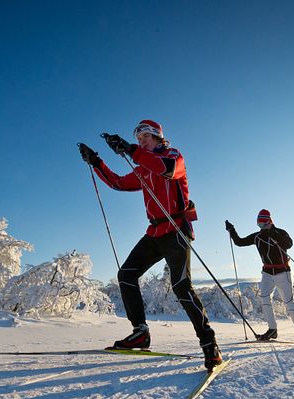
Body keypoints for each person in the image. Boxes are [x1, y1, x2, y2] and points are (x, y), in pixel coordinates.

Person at [78, 119, 222, 371]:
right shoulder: (142, 167)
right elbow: (119, 183)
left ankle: (209, 345)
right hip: (154, 231)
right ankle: (140, 332)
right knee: (126, 275)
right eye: (137, 136)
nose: (140, 139)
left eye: (145, 135)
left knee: (181, 286)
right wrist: (97, 162)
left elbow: (166, 169)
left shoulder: (173, 156)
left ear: (157, 136)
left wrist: (132, 150)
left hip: (176, 228)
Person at [225, 210, 294, 348]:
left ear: (269, 222)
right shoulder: (258, 236)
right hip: (267, 273)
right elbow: (239, 242)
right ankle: (272, 330)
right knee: (265, 299)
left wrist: (274, 235)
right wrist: (232, 230)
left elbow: (289, 244)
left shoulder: (280, 232)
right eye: (258, 224)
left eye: (263, 224)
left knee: (289, 303)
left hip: (282, 272)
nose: (261, 227)